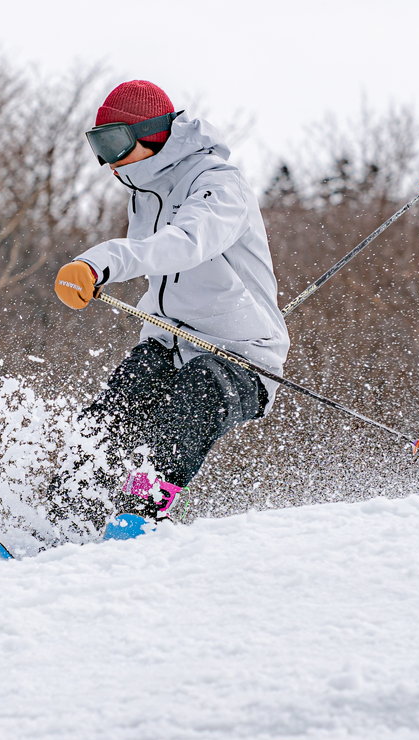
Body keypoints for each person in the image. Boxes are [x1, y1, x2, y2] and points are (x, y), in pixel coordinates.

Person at [48, 80, 290, 537]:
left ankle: (139, 518)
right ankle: (62, 522)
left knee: (189, 405)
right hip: (169, 339)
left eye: (115, 141)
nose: (108, 159)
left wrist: (102, 262)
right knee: (111, 417)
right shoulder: (144, 189)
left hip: (240, 353)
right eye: (98, 144)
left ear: (155, 133)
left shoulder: (218, 183)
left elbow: (186, 243)